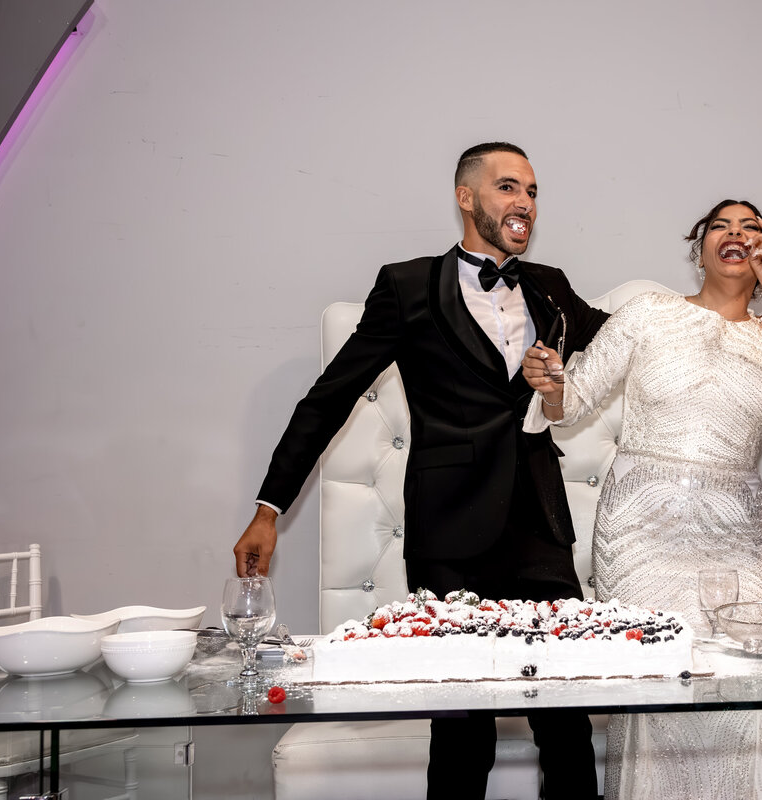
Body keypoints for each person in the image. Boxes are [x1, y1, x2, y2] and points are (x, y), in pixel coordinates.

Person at [233, 142, 607, 800]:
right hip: (451, 538)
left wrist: (720, 311)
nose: (524, 202)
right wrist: (269, 509)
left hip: (540, 531)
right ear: (467, 197)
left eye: (533, 190)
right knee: (465, 737)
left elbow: (629, 338)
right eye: (508, 187)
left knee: (567, 732)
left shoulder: (551, 286)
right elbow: (329, 398)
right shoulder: (407, 285)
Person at [521, 199, 762, 799]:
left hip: (736, 536)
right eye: (720, 226)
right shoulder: (648, 314)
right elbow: (571, 405)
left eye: (752, 227)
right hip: (642, 533)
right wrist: (551, 382)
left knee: (752, 690)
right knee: (660, 688)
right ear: (698, 247)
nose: (735, 234)